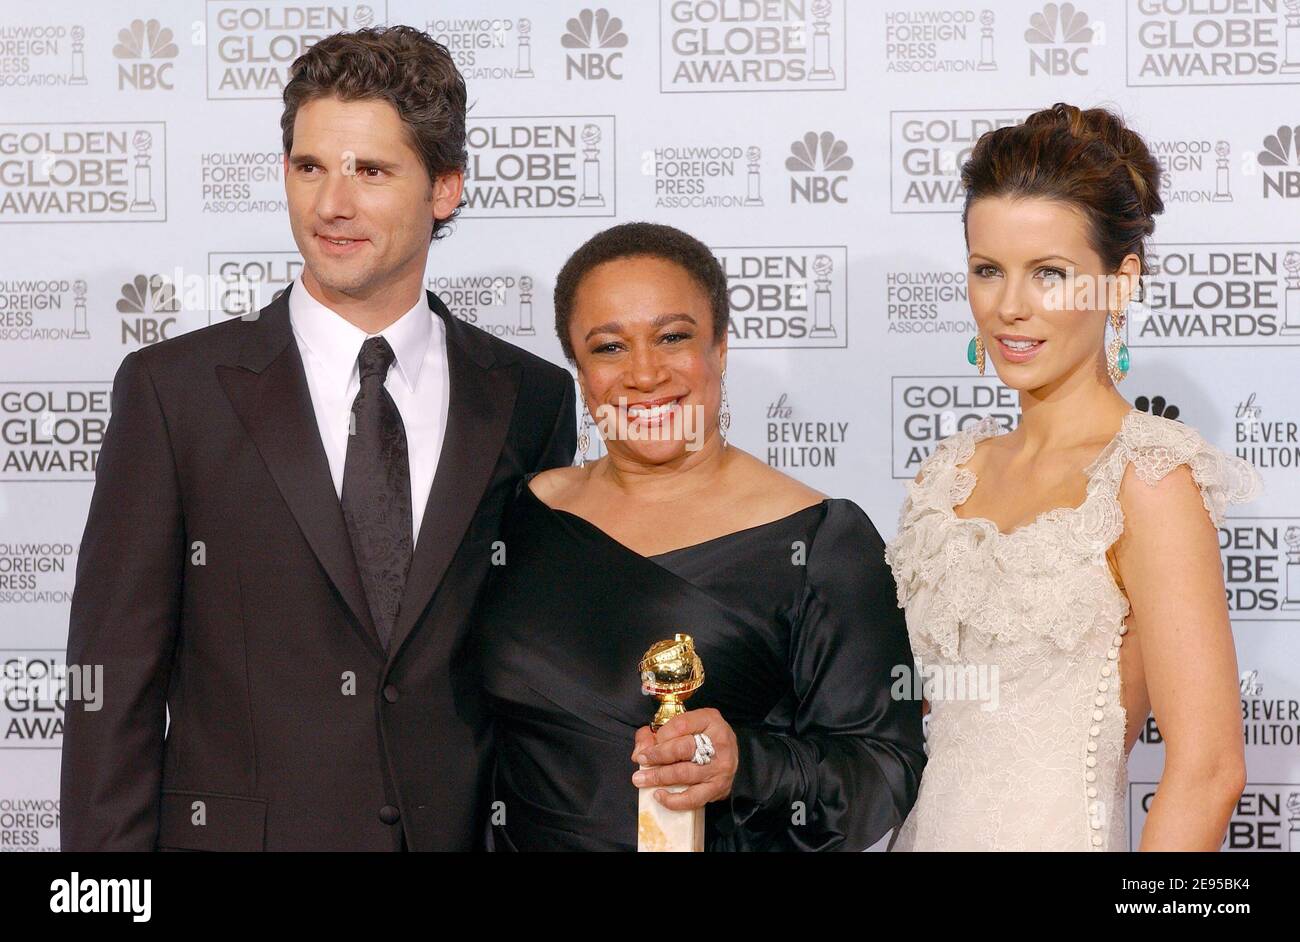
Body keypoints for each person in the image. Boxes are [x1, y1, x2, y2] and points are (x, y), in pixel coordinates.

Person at [60, 26, 575, 851]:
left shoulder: (529, 399)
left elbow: (535, 668)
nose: (331, 203)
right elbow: (110, 683)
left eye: (370, 171)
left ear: (445, 187)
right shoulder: (173, 393)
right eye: (309, 167)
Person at [475, 222, 926, 851]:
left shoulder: (821, 541)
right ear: (578, 369)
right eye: (609, 347)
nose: (645, 373)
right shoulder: (522, 511)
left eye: (673, 337)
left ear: (720, 348)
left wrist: (746, 764)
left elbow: (886, 769)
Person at [885, 103, 1263, 851]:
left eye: (1049, 274)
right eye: (987, 270)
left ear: (1119, 285)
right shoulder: (948, 476)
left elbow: (1209, 771)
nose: (1010, 308)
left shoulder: (1146, 477)